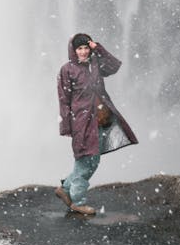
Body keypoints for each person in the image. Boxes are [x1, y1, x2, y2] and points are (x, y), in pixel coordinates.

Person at [55, 33, 138, 215]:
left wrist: (97, 48)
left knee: (92, 158)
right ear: (73, 50)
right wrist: (67, 126)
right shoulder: (67, 70)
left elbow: (114, 66)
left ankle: (66, 188)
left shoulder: (95, 64)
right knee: (86, 160)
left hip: (100, 118)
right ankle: (78, 201)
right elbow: (64, 100)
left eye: (86, 48)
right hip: (82, 121)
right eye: (80, 49)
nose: (83, 52)